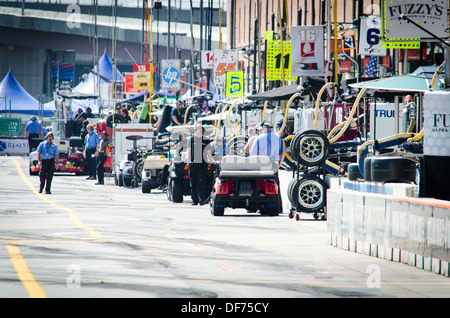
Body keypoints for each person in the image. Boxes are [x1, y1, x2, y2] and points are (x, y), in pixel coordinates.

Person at [186, 122, 213, 206]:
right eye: (198, 128)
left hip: (203, 163)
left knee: (201, 181)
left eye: (201, 128)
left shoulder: (206, 140)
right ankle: (194, 200)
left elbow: (208, 152)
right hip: (193, 163)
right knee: (193, 182)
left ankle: (202, 199)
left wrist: (211, 162)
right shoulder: (191, 139)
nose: (199, 130)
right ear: (195, 129)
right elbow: (188, 150)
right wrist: (188, 160)